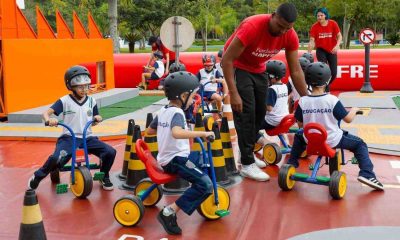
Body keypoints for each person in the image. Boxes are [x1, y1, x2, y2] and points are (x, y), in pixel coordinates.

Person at [222, 3, 307, 181]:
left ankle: (248, 153)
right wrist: (233, 92)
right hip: (238, 66)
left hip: (259, 69)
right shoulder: (252, 26)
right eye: (280, 26)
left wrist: (307, 99)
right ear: (273, 15)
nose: (283, 31)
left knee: (260, 112)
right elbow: (227, 60)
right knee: (246, 113)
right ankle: (246, 164)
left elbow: (296, 70)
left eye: (287, 28)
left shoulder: (290, 35)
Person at [287, 62, 384, 191]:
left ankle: (291, 164)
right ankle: (367, 174)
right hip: (332, 139)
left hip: (309, 139)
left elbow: (300, 124)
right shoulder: (332, 100)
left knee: (299, 135)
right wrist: (354, 110)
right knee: (360, 144)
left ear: (307, 80)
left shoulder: (303, 101)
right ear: (327, 81)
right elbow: (348, 119)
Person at [146, 71, 215, 235]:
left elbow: (149, 131)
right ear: (183, 95)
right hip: (175, 160)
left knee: (200, 159)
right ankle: (169, 211)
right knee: (206, 185)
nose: (192, 101)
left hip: (168, 157)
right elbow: (176, 132)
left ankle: (195, 190)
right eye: (192, 97)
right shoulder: (176, 113)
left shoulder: (163, 110)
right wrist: (203, 134)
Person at [28, 66, 116, 191]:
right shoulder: (65, 101)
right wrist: (49, 119)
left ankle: (104, 176)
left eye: (86, 86)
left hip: (87, 137)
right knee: (56, 159)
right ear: (71, 86)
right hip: (69, 137)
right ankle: (37, 176)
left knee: (110, 152)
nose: (84, 90)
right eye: (80, 87)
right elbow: (46, 113)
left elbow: (95, 116)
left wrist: (97, 118)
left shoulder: (92, 101)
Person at [308, 7, 342, 92]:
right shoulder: (314, 27)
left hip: (332, 50)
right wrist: (309, 52)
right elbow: (312, 41)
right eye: (318, 16)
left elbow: (339, 36)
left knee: (334, 73)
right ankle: (325, 90)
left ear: (325, 15)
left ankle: (325, 86)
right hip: (321, 50)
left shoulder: (333, 23)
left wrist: (337, 45)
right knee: (324, 70)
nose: (319, 17)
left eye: (321, 15)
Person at [262, 60, 289, 131]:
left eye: (267, 76)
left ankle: (264, 141)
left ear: (272, 77)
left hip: (272, 122)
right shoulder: (285, 86)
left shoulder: (272, 89)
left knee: (250, 126)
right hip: (284, 118)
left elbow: (269, 108)